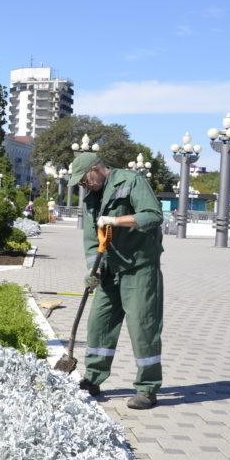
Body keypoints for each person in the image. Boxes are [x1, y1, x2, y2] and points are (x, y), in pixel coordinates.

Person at [69, 152, 164, 410]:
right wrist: (93, 270)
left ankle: (147, 388)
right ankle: (93, 378)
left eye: (84, 179)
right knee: (99, 324)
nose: (83, 186)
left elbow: (153, 215)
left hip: (139, 268)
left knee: (143, 327)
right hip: (109, 269)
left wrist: (115, 221)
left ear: (97, 168)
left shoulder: (131, 181)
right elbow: (91, 240)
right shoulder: (91, 198)